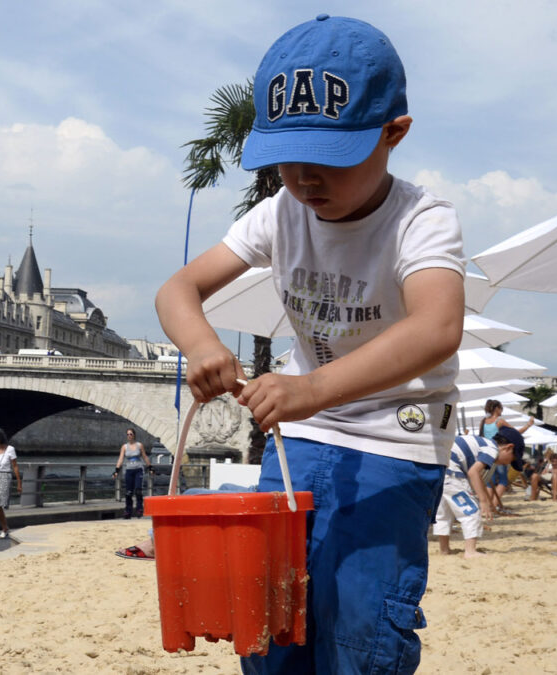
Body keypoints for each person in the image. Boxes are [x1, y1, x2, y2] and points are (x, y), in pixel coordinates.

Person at [154, 15, 464, 673]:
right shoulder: (280, 213)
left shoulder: (421, 219)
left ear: (393, 134)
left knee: (360, 630)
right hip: (300, 442)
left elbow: (437, 326)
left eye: (329, 158)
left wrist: (313, 387)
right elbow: (178, 290)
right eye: (285, 159)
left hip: (395, 442)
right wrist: (205, 345)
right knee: (270, 624)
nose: (302, 177)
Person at [434, 428, 524, 558]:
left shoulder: (482, 443)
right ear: (508, 448)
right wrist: (483, 501)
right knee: (471, 511)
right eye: (512, 459)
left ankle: (444, 549)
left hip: (440, 471)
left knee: (444, 513)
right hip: (453, 474)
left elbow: (477, 478)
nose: (509, 463)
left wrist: (485, 498)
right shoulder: (492, 448)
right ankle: (470, 551)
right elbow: (473, 472)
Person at [478, 399, 534, 512]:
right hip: (500, 452)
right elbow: (515, 434)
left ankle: (488, 507)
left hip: (487, 453)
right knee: (503, 481)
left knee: (491, 480)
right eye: (501, 408)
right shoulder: (499, 421)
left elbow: (481, 437)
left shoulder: (483, 421)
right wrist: (528, 425)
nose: (502, 410)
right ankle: (494, 505)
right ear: (497, 408)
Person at [112, 428, 151, 518]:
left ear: (134, 435)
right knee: (129, 492)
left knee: (138, 491)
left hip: (138, 469)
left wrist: (150, 467)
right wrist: (116, 470)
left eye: (131, 434)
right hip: (129, 470)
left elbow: (145, 457)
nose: (129, 436)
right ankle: (128, 511)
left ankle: (139, 509)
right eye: (128, 434)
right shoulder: (124, 447)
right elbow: (121, 459)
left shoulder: (139, 445)